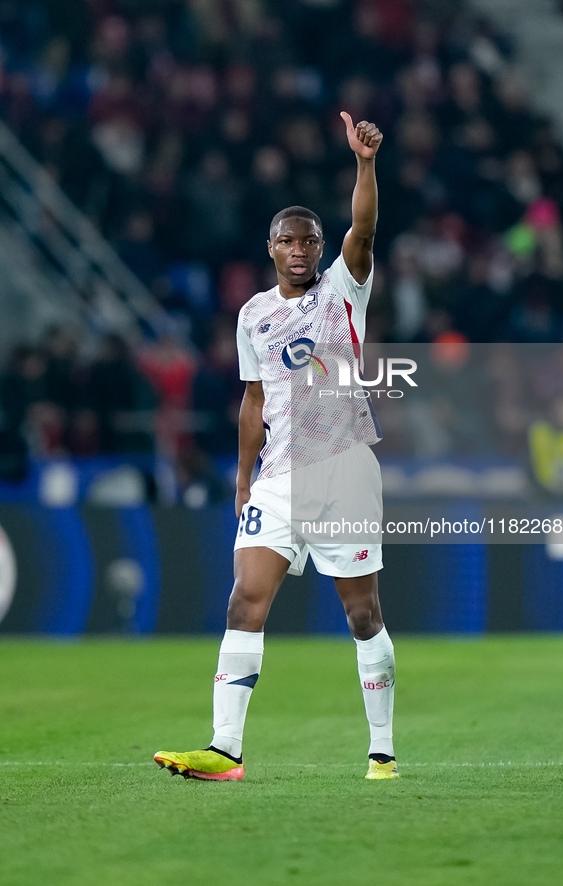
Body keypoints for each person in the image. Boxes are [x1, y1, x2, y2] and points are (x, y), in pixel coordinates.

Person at [154, 112, 398, 781]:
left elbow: (366, 230)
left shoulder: (343, 290)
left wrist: (365, 165)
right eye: (288, 240)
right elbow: (254, 400)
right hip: (277, 477)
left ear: (320, 248)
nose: (300, 250)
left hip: (344, 468)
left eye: (309, 241)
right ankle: (225, 749)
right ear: (270, 248)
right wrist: (241, 478)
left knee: (361, 612)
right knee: (244, 599)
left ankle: (381, 749)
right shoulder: (252, 316)